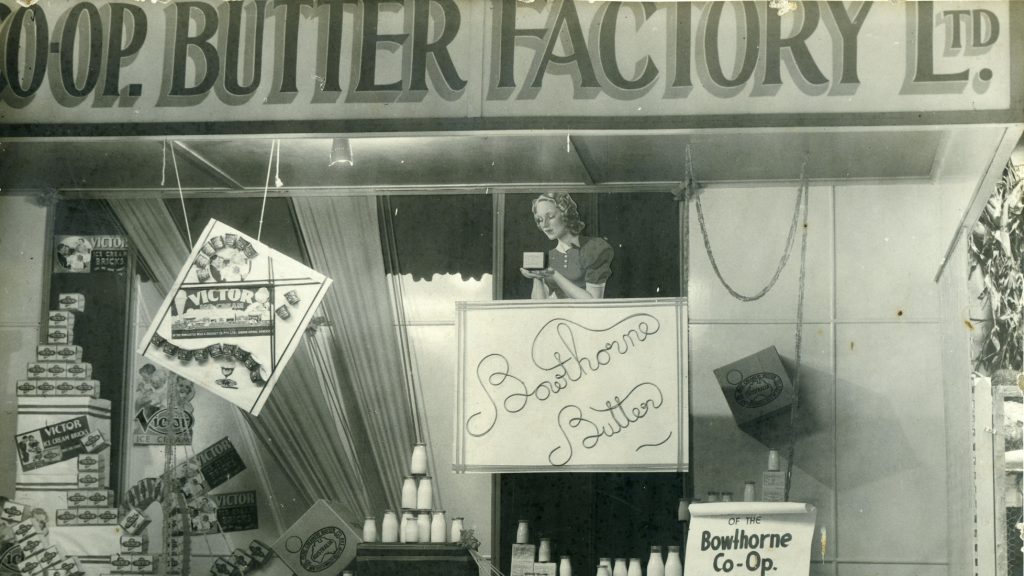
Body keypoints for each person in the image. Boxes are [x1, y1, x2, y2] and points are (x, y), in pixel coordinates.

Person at [520, 192, 614, 299]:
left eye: (550, 217)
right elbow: (539, 307)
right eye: (540, 219)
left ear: (566, 214)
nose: (544, 225)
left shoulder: (594, 248)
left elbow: (592, 302)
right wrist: (537, 277)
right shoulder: (551, 258)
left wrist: (553, 274)